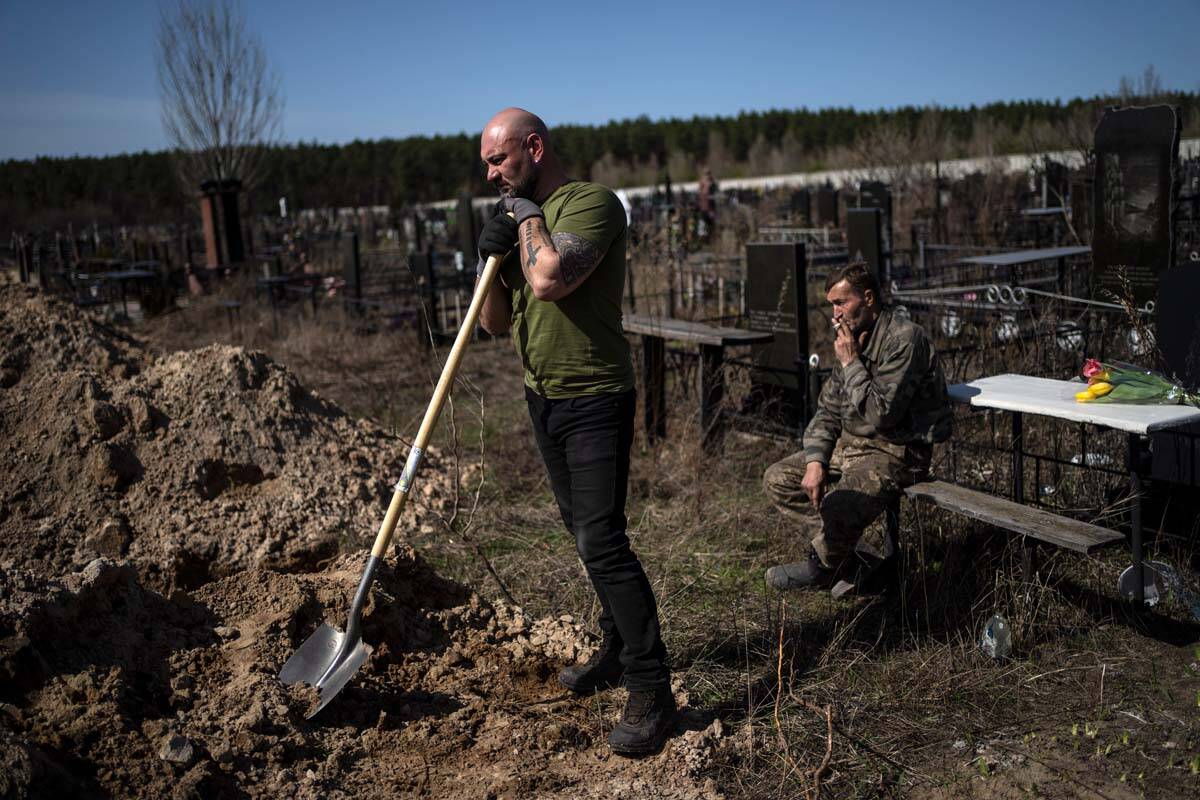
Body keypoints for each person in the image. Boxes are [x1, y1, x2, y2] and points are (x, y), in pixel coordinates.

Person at [474, 108, 674, 756]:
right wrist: (484, 263)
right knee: (584, 537)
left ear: (533, 148)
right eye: (486, 164)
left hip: (595, 398)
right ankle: (617, 648)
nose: (492, 175)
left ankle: (652, 688)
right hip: (544, 400)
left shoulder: (591, 205)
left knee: (602, 540)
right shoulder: (515, 221)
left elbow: (551, 279)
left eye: (499, 161)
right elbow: (497, 325)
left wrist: (526, 221)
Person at [763, 261, 952, 592]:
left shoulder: (904, 339)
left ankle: (822, 565)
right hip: (851, 446)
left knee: (838, 504)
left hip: (896, 450)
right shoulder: (851, 336)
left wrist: (851, 362)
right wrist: (816, 460)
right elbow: (828, 410)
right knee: (778, 479)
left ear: (867, 298)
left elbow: (883, 415)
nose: (835, 314)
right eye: (832, 305)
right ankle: (852, 559)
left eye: (841, 302)